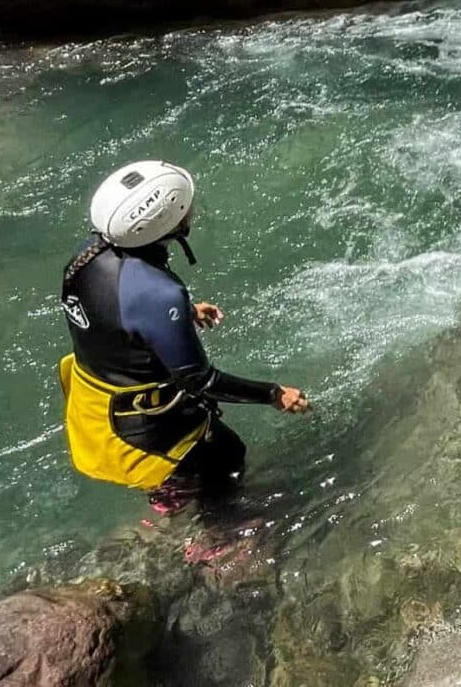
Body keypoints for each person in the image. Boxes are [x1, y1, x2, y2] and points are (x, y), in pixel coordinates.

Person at [57, 161, 310, 513]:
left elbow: (111, 312)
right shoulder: (159, 295)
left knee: (207, 462)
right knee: (226, 457)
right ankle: (210, 545)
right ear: (168, 220)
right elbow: (200, 380)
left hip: (97, 403)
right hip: (140, 426)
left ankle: (169, 506)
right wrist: (272, 393)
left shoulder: (86, 258)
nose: (192, 210)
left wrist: (180, 315)